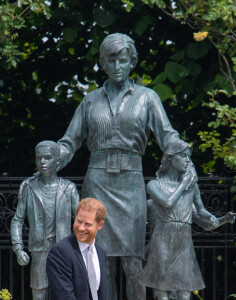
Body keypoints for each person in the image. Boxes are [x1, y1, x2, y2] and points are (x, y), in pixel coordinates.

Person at [56, 33, 190, 299]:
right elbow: (68, 143)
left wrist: (184, 154)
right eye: (111, 61)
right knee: (100, 263)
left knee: (133, 264)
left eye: (123, 61)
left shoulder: (147, 98)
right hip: (97, 182)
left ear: (132, 63)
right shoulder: (90, 101)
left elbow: (168, 136)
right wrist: (49, 160)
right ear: (103, 64)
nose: (117, 67)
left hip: (131, 186)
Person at [139, 140, 235, 300]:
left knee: (185, 295)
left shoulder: (192, 187)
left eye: (188, 157)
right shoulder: (154, 185)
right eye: (183, 156)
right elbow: (168, 203)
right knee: (162, 294)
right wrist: (183, 184)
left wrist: (223, 219)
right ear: (169, 159)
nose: (187, 160)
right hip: (162, 242)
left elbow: (203, 216)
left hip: (183, 244)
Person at [10, 140, 79, 300]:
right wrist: (18, 248)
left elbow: (81, 221)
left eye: (47, 157)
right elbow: (17, 221)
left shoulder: (69, 189)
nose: (42, 162)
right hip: (39, 250)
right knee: (39, 292)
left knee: (64, 292)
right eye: (39, 157)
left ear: (58, 161)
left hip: (64, 250)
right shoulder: (29, 188)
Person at [46, 197, 107, 300]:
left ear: (99, 225)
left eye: (87, 224)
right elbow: (65, 296)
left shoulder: (100, 253)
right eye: (79, 221)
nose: (81, 228)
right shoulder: (60, 252)